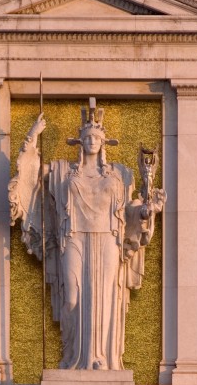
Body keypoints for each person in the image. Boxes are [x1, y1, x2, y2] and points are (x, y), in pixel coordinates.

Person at [9, 98, 165, 370]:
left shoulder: (121, 174)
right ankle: (74, 357)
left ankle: (100, 359)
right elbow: (29, 178)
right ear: (80, 142)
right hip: (73, 238)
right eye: (88, 137)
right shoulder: (60, 171)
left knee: (104, 298)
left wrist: (145, 209)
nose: (92, 140)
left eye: (96, 136)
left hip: (108, 238)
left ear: (104, 143)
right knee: (72, 296)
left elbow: (130, 210)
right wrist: (31, 139)